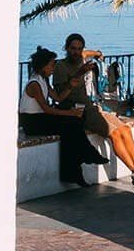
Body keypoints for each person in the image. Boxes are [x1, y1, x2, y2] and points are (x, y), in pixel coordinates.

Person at [52, 33, 134, 185]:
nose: (76, 52)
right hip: (78, 111)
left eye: (79, 48)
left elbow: (87, 53)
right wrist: (80, 72)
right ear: (66, 48)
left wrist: (98, 54)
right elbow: (60, 94)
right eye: (72, 48)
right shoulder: (60, 66)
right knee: (115, 133)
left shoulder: (80, 57)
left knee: (125, 129)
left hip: (93, 106)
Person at [20, 47, 110, 187]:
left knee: (71, 129)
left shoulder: (43, 80)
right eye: (51, 65)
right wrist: (71, 113)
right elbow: (47, 109)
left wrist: (70, 86)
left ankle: (75, 171)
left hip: (40, 118)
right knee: (71, 123)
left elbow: (58, 98)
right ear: (43, 66)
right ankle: (87, 155)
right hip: (31, 122)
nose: (52, 68)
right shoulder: (34, 84)